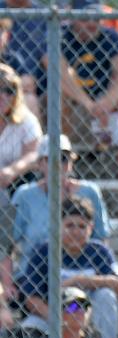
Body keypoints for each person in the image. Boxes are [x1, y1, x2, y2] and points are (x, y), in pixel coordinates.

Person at [19, 197, 118, 338]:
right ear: (58, 226)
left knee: (106, 296)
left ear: (91, 228)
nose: (76, 232)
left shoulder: (99, 251)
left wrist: (79, 281)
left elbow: (117, 284)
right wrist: (60, 321)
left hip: (87, 314)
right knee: (28, 327)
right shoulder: (44, 252)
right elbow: (31, 299)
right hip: (54, 314)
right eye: (69, 225)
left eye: (82, 226)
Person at [11, 134, 110, 277]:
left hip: (79, 275)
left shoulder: (89, 192)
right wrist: (7, 286)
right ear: (39, 164)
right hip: (34, 279)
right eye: (51, 159)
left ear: (71, 163)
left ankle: (72, 299)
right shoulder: (25, 196)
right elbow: (6, 243)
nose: (58, 164)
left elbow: (101, 238)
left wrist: (100, 277)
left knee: (101, 296)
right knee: (38, 297)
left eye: (63, 158)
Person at [59, 7, 118, 154]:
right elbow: (57, 72)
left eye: (96, 18)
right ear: (73, 18)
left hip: (104, 101)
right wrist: (88, 104)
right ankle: (62, 160)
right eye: (85, 18)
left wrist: (108, 102)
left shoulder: (109, 36)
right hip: (76, 101)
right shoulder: (61, 35)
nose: (91, 23)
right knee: (60, 94)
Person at [0, 63, 41, 294]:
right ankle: (6, 282)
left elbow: (34, 155)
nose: (3, 96)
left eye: (9, 90)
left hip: (18, 183)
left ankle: (7, 282)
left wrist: (11, 171)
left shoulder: (26, 120)